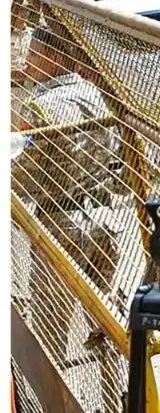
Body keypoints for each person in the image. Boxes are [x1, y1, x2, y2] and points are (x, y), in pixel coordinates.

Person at [13, 22, 121, 366]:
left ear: (54, 58)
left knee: (50, 328)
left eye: (34, 55)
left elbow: (26, 169)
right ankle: (118, 395)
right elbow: (117, 158)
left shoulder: (42, 106)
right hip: (105, 217)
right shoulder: (95, 95)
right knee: (105, 326)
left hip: (61, 224)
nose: (28, 63)